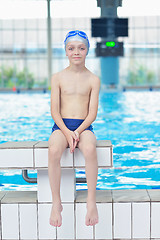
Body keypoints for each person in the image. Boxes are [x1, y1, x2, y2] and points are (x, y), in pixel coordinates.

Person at [48, 30, 100, 228]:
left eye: (81, 48)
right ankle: (56, 202)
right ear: (66, 51)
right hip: (61, 126)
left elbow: (92, 113)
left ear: (87, 50)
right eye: (71, 48)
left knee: (89, 149)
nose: (76, 52)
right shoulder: (58, 78)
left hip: (84, 126)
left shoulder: (93, 79)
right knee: (53, 151)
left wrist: (77, 132)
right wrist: (67, 132)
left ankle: (91, 201)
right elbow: (54, 111)